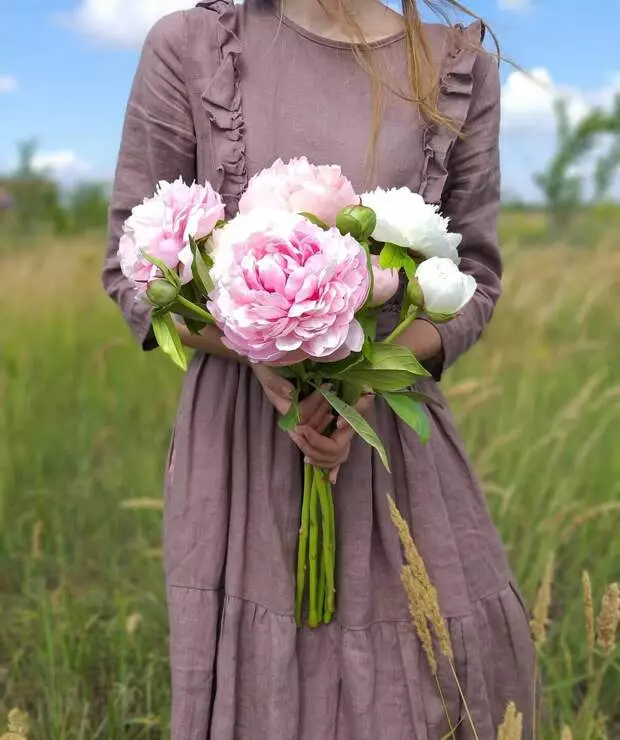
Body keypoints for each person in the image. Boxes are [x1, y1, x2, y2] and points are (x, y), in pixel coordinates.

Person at [102, 0, 537, 737]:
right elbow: (137, 267)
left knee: (427, 697)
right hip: (243, 444)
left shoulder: (459, 66)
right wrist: (263, 346)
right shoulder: (193, 45)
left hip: (391, 442)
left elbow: (474, 284)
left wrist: (355, 371)